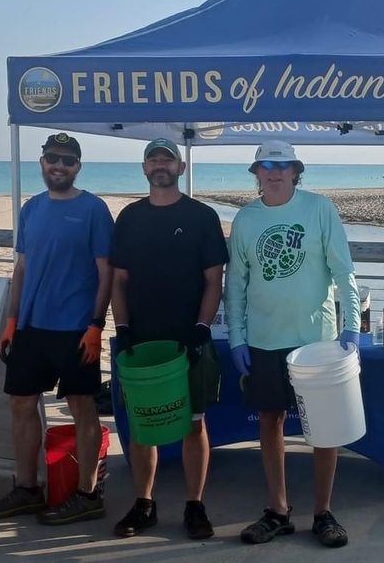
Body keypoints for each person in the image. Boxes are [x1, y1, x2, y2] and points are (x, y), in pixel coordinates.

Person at [224, 140, 361, 548]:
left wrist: (350, 326)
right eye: (266, 165)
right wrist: (236, 338)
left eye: (283, 165)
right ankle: (278, 510)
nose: (275, 171)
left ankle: (323, 513)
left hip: (316, 344)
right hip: (264, 342)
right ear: (256, 172)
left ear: (296, 171)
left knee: (323, 430)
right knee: (271, 421)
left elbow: (344, 271)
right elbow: (236, 287)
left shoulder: (320, 208)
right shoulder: (245, 220)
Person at [0, 133, 114, 525]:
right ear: (41, 162)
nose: (59, 165)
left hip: (75, 328)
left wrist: (95, 324)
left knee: (81, 407)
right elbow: (22, 268)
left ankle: (88, 494)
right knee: (21, 404)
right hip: (31, 327)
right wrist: (10, 322)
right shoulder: (31, 209)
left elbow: (106, 273)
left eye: (67, 160)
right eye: (52, 158)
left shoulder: (94, 209)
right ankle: (27, 489)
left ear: (78, 167)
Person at [108, 138, 228, 540]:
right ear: (144, 168)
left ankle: (195, 505)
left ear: (180, 167)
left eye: (167, 158)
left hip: (188, 338)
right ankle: (144, 504)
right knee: (143, 427)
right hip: (140, 340)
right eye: (153, 158)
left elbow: (215, 280)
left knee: (194, 424)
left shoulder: (202, 216)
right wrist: (121, 329)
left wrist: (202, 328)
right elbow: (118, 280)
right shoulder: (128, 217)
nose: (160, 164)